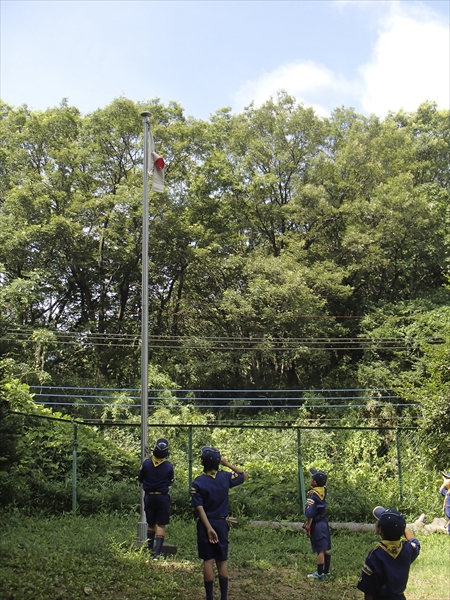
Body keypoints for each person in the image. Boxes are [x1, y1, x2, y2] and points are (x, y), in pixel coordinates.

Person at [190, 446, 248, 600]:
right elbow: (243, 475)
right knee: (221, 561)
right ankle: (224, 597)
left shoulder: (198, 482)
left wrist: (208, 528)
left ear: (202, 462)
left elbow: (199, 508)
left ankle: (209, 596)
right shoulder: (225, 477)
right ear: (218, 462)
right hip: (221, 524)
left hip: (205, 524)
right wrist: (228, 464)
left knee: (208, 560)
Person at [357, 506, 420, 600]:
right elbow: (415, 542)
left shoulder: (375, 555)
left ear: (379, 530)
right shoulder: (407, 549)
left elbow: (369, 588)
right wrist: (401, 528)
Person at [138, 438, 174, 558]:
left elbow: (140, 479)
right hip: (162, 497)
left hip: (149, 497)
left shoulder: (146, 463)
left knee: (150, 523)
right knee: (161, 524)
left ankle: (149, 551)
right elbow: (171, 481)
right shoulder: (169, 466)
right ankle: (158, 553)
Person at [304, 467, 332, 580]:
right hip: (324, 522)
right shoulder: (323, 490)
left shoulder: (312, 494)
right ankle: (326, 572)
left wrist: (308, 526)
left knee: (319, 549)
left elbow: (311, 512)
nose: (310, 479)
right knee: (326, 548)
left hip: (316, 523)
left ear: (314, 482)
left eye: (311, 478)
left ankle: (319, 574)